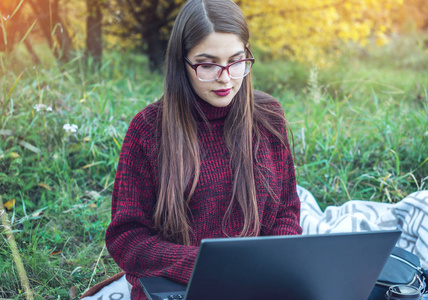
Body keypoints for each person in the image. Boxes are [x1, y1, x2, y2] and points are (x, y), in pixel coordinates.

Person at [105, 0, 302, 298]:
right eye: (208, 64)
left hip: (259, 284)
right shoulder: (148, 130)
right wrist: (204, 266)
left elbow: (287, 208)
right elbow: (127, 237)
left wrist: (269, 268)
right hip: (182, 287)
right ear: (181, 62)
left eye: (236, 61)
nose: (225, 78)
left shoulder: (269, 115)